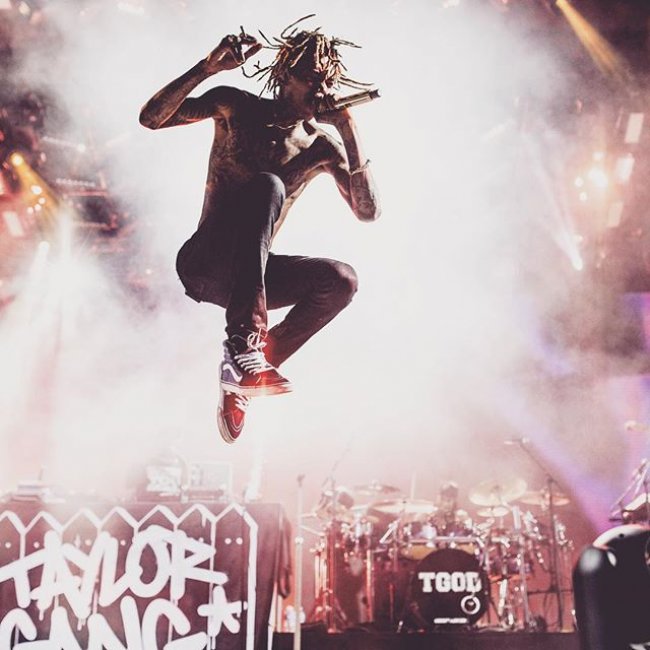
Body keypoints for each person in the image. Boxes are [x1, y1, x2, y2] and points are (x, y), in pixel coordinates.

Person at [139, 19, 380, 443]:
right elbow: (151, 119)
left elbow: (368, 211)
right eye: (314, 78)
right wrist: (206, 68)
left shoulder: (320, 145)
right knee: (268, 185)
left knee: (341, 280)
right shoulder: (235, 106)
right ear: (286, 73)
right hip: (205, 263)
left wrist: (347, 127)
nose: (322, 90)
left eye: (328, 81)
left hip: (250, 283)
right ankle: (243, 349)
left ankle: (246, 376)